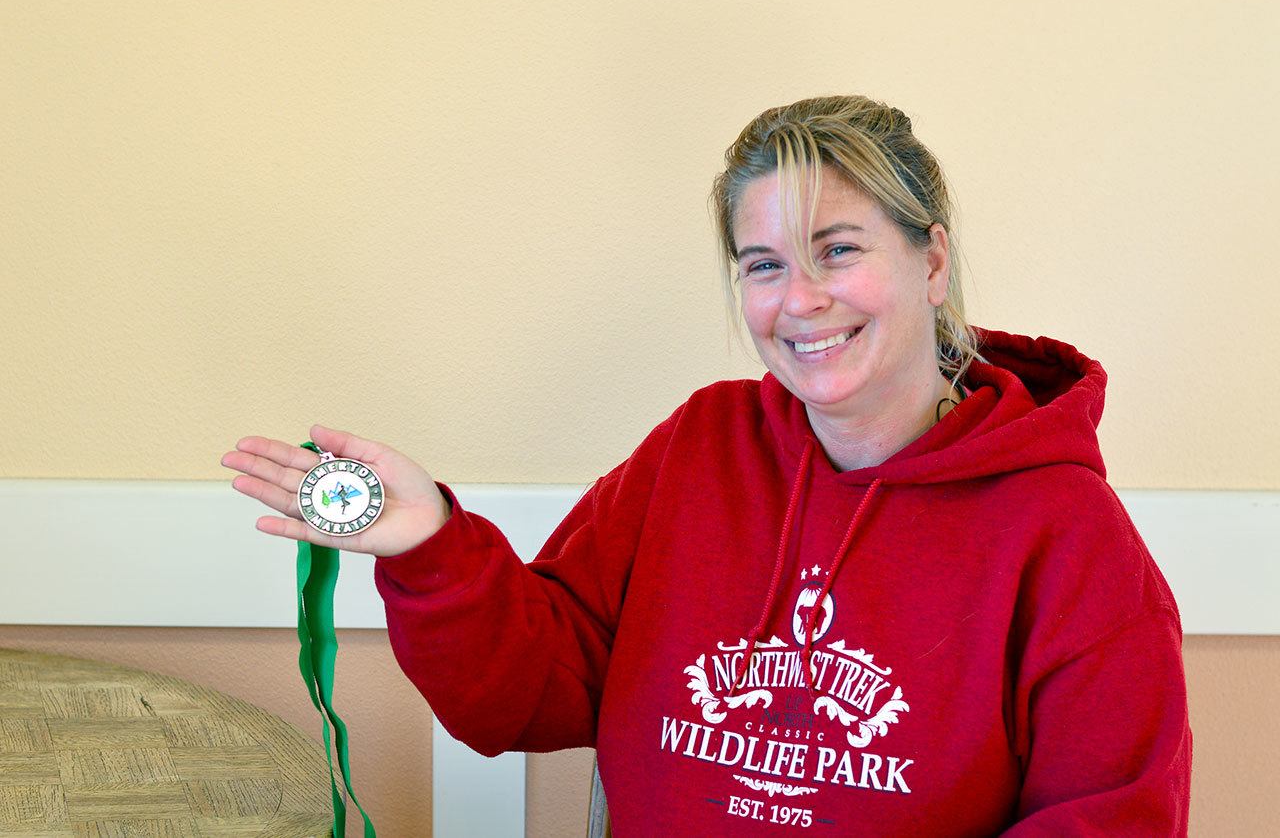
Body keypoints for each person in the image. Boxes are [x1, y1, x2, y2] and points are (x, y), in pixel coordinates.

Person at [222, 94, 1192, 835]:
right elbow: (531, 691)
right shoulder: (701, 445)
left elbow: (1107, 815)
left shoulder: (1062, 529)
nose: (798, 299)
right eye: (762, 263)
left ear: (929, 262)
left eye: (835, 249)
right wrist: (431, 544)